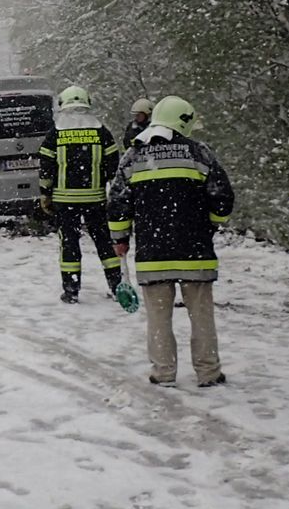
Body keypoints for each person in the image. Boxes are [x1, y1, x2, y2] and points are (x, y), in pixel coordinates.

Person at [108, 95, 236, 387]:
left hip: (153, 253)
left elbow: (117, 203)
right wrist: (211, 225)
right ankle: (208, 371)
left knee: (158, 318)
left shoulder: (134, 156)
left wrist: (120, 238)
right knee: (202, 316)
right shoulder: (199, 153)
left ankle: (163, 372)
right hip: (195, 252)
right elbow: (222, 197)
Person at [37, 85, 124, 301]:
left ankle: (71, 290)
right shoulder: (101, 132)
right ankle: (116, 286)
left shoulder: (55, 133)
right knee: (104, 242)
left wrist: (45, 194)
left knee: (69, 244)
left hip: (64, 200)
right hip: (96, 199)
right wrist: (114, 195)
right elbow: (114, 167)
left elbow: (46, 168)